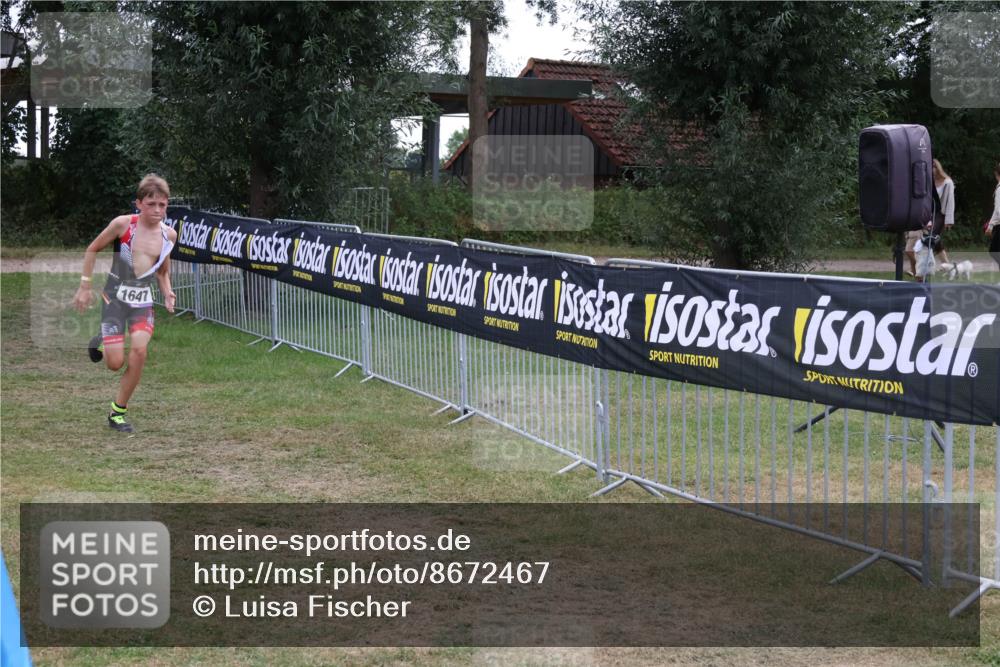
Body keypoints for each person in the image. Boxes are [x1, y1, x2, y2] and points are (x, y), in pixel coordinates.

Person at [73, 174, 177, 433]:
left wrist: (168, 292)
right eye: (151, 204)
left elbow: (162, 270)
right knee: (115, 363)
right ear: (138, 204)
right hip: (115, 299)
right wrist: (85, 286)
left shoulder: (169, 235)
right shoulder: (123, 225)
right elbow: (92, 248)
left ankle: (117, 412)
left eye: (162, 205)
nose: (157, 210)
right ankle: (102, 340)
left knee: (140, 352)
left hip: (142, 301)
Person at [933, 159, 955, 264]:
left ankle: (924, 265)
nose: (932, 170)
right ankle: (947, 265)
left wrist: (948, 221)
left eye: (934, 167)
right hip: (928, 213)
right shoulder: (928, 181)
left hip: (940, 214)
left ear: (938, 168)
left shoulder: (948, 182)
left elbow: (950, 202)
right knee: (934, 239)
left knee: (931, 236)